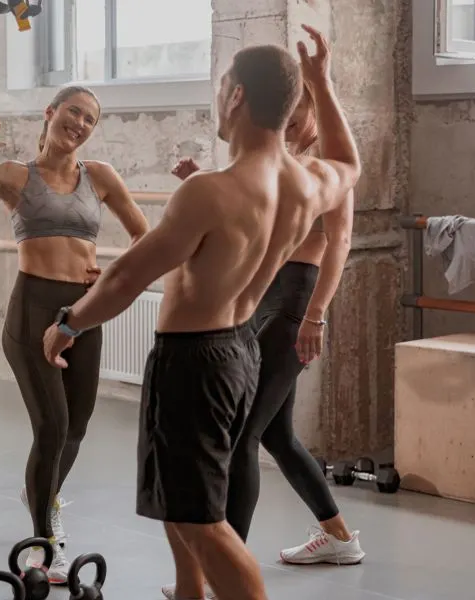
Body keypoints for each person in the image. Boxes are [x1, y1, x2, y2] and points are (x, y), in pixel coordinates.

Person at [42, 27, 361, 600]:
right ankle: (189, 592)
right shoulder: (309, 181)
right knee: (180, 498)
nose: (218, 98)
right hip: (238, 348)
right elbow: (348, 161)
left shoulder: (211, 190)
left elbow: (125, 278)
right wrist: (322, 80)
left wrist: (69, 324)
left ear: (236, 96)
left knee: (202, 522)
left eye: (221, 88)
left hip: (194, 360)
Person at [160, 62, 362, 599]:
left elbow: (340, 243)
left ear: (315, 109)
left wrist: (316, 314)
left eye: (298, 118)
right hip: (265, 301)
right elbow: (254, 220)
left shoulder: (327, 169)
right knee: (275, 433)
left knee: (244, 434)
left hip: (295, 302)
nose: (289, 126)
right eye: (285, 118)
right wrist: (200, 181)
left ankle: (223, 571)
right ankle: (339, 537)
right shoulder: (285, 165)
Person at [0, 86, 149, 582]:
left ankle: (40, 494)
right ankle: (44, 544)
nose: (80, 124)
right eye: (73, 112)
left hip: (84, 311)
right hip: (33, 310)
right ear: (50, 113)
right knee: (51, 426)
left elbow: (143, 234)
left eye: (90, 119)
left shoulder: (101, 176)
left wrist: (111, 276)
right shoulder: (14, 175)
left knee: (76, 427)